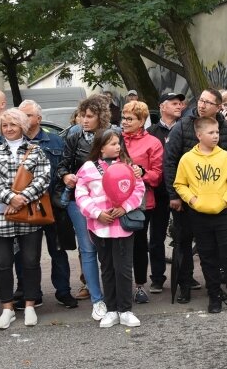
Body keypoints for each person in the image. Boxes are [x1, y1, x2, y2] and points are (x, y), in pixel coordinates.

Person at [164, 88, 227, 304]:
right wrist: (175, 195)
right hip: (187, 199)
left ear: (218, 107)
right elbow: (170, 162)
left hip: (217, 202)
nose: (202, 105)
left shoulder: (224, 131)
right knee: (183, 243)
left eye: (208, 102)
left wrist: (225, 198)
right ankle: (185, 285)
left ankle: (215, 289)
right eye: (200, 100)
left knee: (214, 248)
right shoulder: (183, 126)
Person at [174, 117, 227, 313]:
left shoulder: (225, 157)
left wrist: (225, 200)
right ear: (199, 135)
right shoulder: (187, 159)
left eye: (217, 132)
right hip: (199, 215)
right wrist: (193, 200)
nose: (216, 136)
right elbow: (180, 184)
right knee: (208, 257)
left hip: (224, 213)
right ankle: (214, 296)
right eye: (211, 133)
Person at [0, 108, 51, 329]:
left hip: (29, 213)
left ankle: (30, 305)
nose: (9, 129)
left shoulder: (36, 150)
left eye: (13, 125)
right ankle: (7, 308)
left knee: (30, 262)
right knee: (2, 264)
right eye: (5, 125)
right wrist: (11, 197)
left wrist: (23, 198)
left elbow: (43, 178)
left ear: (22, 126)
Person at [75, 129, 145, 328]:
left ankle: (126, 310)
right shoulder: (88, 168)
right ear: (101, 146)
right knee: (106, 267)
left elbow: (139, 189)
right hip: (100, 226)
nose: (118, 147)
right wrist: (97, 213)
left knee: (123, 268)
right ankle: (111, 309)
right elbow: (81, 195)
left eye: (118, 143)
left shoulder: (128, 166)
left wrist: (125, 208)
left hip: (122, 225)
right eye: (113, 143)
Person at [18, 100, 78, 309]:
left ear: (39, 119)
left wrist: (62, 197)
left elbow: (64, 169)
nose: (23, 120)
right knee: (26, 253)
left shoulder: (56, 141)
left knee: (58, 250)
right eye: (20, 115)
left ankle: (63, 292)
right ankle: (32, 293)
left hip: (53, 205)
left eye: (27, 115)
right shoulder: (14, 141)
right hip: (25, 205)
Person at [56, 95, 112, 319]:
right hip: (79, 201)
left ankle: (114, 295)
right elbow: (62, 165)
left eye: (89, 116)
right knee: (88, 250)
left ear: (101, 117)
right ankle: (97, 300)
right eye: (82, 116)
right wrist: (66, 175)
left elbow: (124, 162)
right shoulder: (74, 135)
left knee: (109, 250)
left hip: (108, 200)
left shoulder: (112, 134)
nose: (84, 120)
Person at [120, 100, 163, 305]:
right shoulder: (115, 139)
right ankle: (119, 285)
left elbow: (157, 175)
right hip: (114, 200)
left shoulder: (153, 143)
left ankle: (139, 286)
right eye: (123, 118)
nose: (124, 122)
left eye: (130, 119)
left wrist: (142, 172)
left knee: (138, 245)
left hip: (141, 202)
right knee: (117, 245)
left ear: (142, 120)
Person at [146, 92, 185, 294]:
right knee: (157, 237)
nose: (179, 106)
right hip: (159, 192)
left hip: (182, 190)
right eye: (174, 103)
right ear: (162, 106)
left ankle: (185, 276)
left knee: (184, 236)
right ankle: (158, 278)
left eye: (181, 103)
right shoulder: (151, 132)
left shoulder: (186, 128)